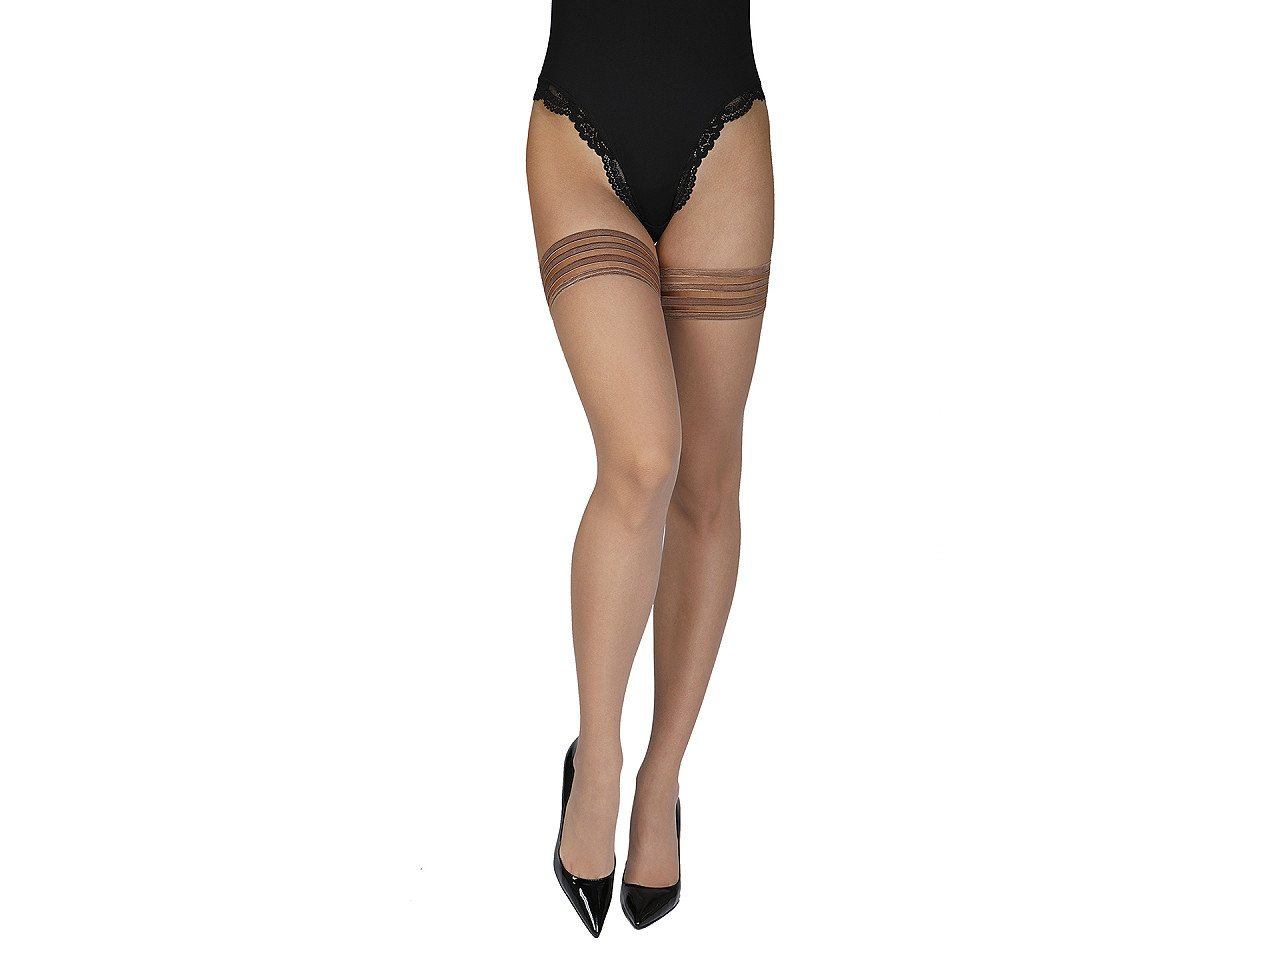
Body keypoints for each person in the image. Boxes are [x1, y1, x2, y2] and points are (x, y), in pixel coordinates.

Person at [526, 0, 774, 937]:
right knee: (643, 458)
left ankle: (661, 778)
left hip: (725, 135)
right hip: (581, 136)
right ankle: (596, 764)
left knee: (707, 479)